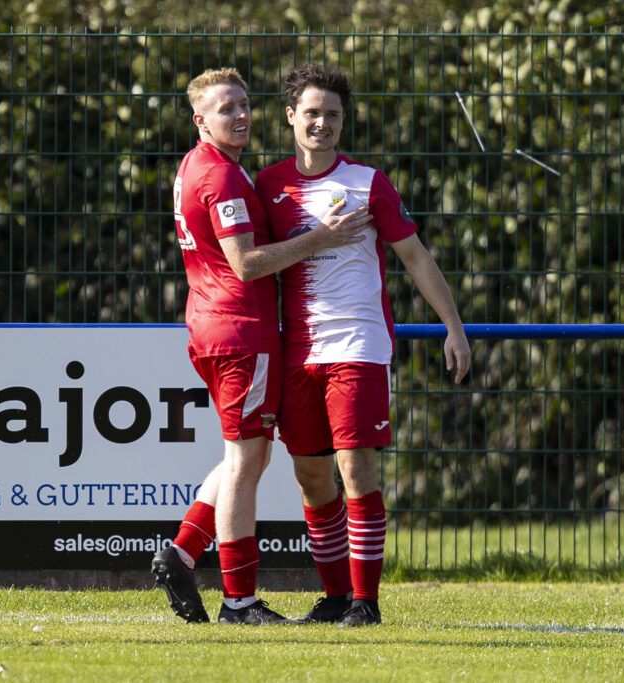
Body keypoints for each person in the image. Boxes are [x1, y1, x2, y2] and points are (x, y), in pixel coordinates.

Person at [151, 67, 372, 625]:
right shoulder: (221, 177)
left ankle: (182, 552)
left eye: (245, 104)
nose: (241, 115)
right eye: (226, 108)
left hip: (213, 324)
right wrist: (321, 238)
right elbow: (246, 263)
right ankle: (239, 601)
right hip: (241, 331)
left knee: (242, 455)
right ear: (200, 119)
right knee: (248, 461)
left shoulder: (197, 165)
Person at [255, 64, 472, 626]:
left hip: (358, 343)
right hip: (296, 350)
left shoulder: (368, 183)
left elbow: (416, 258)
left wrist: (453, 326)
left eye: (332, 114)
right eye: (311, 113)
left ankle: (366, 602)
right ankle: (333, 598)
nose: (321, 123)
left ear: (343, 121)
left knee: (356, 469)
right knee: (312, 477)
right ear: (291, 118)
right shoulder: (266, 185)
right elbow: (243, 260)